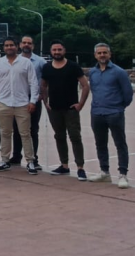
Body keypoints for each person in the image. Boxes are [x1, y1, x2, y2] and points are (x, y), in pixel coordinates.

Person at [0, 37, 40, 174]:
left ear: (17, 47)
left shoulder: (26, 63)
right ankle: (5, 160)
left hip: (22, 103)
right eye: (6, 45)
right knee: (5, 133)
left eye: (11, 45)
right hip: (4, 103)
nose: (9, 47)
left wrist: (33, 101)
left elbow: (33, 83)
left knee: (25, 133)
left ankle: (30, 162)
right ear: (3, 48)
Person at [41, 40, 90, 181]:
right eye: (54, 50)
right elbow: (43, 86)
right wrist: (46, 102)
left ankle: (80, 168)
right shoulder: (47, 67)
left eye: (59, 49)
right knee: (59, 136)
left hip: (71, 109)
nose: (57, 52)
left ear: (64, 51)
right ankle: (64, 165)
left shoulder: (73, 66)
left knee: (75, 137)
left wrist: (80, 104)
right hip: (54, 109)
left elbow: (85, 85)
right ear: (51, 52)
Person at [87, 42, 133, 189]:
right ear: (95, 55)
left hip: (114, 113)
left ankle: (123, 174)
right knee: (100, 143)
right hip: (97, 113)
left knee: (120, 143)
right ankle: (104, 172)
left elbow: (128, 94)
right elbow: (94, 90)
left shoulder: (119, 72)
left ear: (109, 54)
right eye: (99, 53)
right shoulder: (92, 72)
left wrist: (118, 107)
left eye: (104, 52)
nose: (102, 55)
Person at [12, 35, 47, 169]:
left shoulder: (40, 61)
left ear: (33, 46)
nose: (26, 45)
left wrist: (42, 95)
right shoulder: (15, 60)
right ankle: (16, 156)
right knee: (17, 129)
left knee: (33, 130)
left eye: (29, 43)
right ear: (20, 45)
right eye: (24, 42)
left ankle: (33, 159)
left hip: (34, 99)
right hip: (18, 100)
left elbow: (46, 80)